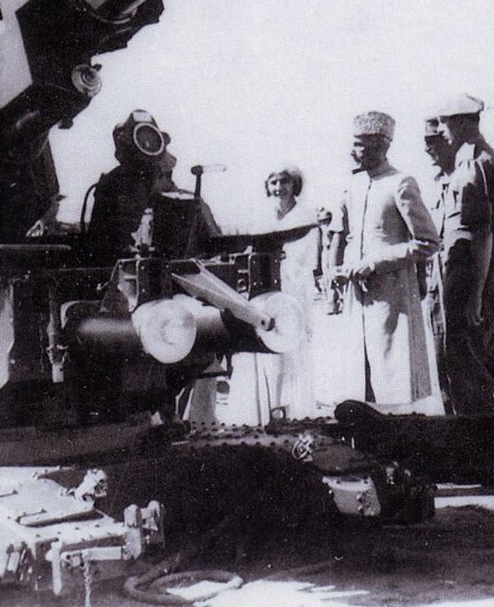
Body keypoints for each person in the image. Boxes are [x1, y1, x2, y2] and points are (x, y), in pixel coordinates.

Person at [424, 94, 494, 415]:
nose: (442, 132)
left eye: (445, 124)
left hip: (475, 273)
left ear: (462, 123)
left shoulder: (472, 165)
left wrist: (474, 295)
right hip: (487, 270)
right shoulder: (485, 159)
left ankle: (480, 438)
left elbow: (480, 234)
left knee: (470, 369)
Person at [327, 112, 439, 406]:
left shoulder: (400, 183)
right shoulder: (353, 186)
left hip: (393, 296)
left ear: (381, 146)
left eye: (360, 145)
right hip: (357, 296)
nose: (353, 152)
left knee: (393, 373)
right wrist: (339, 271)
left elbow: (428, 242)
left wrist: (375, 263)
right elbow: (347, 237)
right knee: (358, 377)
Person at [218, 166, 320, 424]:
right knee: (260, 344)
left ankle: (288, 414)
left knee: (287, 350)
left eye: (284, 181)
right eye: (273, 182)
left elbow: (305, 263)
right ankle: (259, 414)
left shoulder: (305, 218)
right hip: (262, 290)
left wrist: (280, 266)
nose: (278, 188)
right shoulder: (262, 216)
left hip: (292, 292)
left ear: (294, 184)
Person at [83, 110, 217, 258]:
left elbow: (217, 248)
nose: (144, 182)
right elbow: (97, 248)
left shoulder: (190, 204)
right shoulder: (110, 187)